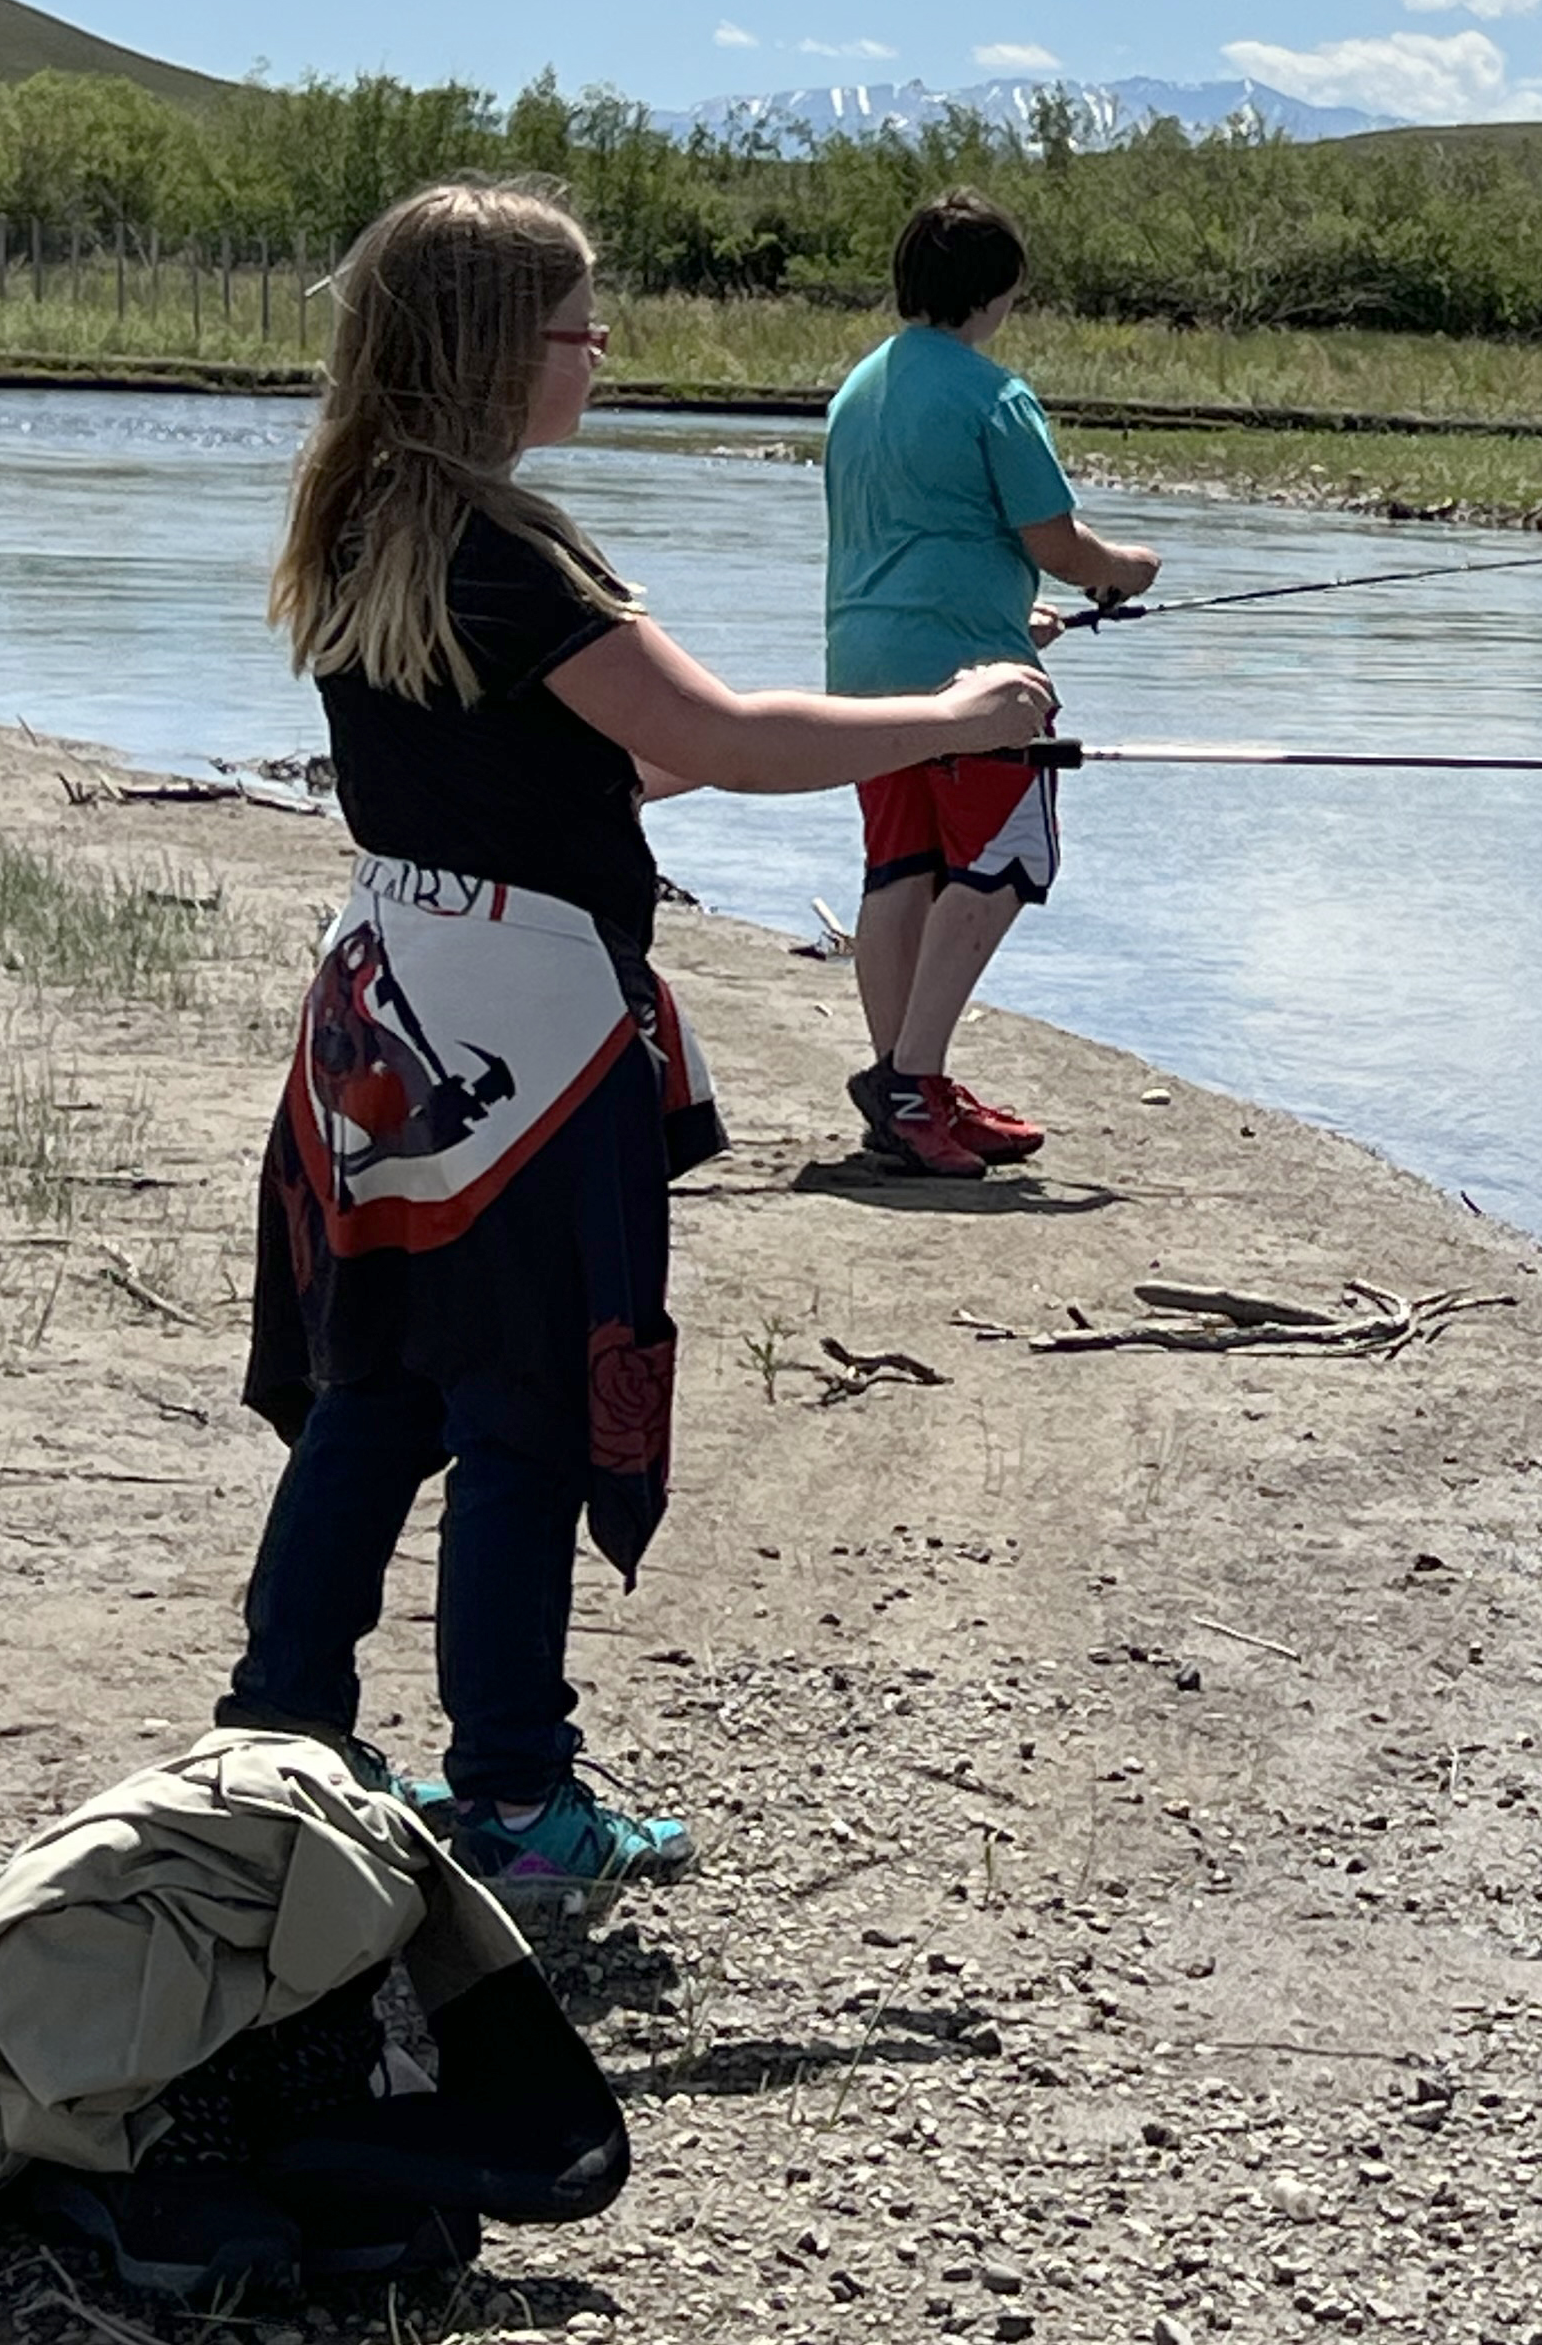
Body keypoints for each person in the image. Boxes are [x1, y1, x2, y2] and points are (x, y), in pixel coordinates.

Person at [218, 178, 1055, 1889]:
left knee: (381, 1386)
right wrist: (963, 708)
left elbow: (596, 763)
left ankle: (281, 1728)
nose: (599, 354)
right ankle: (519, 1805)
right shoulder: (504, 544)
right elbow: (730, 739)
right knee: (521, 1415)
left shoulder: (368, 520)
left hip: (383, 1013)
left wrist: (886, 729)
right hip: (523, 1040)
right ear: (486, 351)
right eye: (578, 327)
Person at [822, 190, 1158, 1178]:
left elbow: (916, 540)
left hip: (861, 676)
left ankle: (901, 1082)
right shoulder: (992, 395)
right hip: (978, 682)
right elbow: (1057, 545)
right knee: (1007, 860)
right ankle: (912, 1080)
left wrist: (1012, 612)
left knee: (900, 869)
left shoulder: (855, 390)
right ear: (997, 288)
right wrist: (1123, 570)